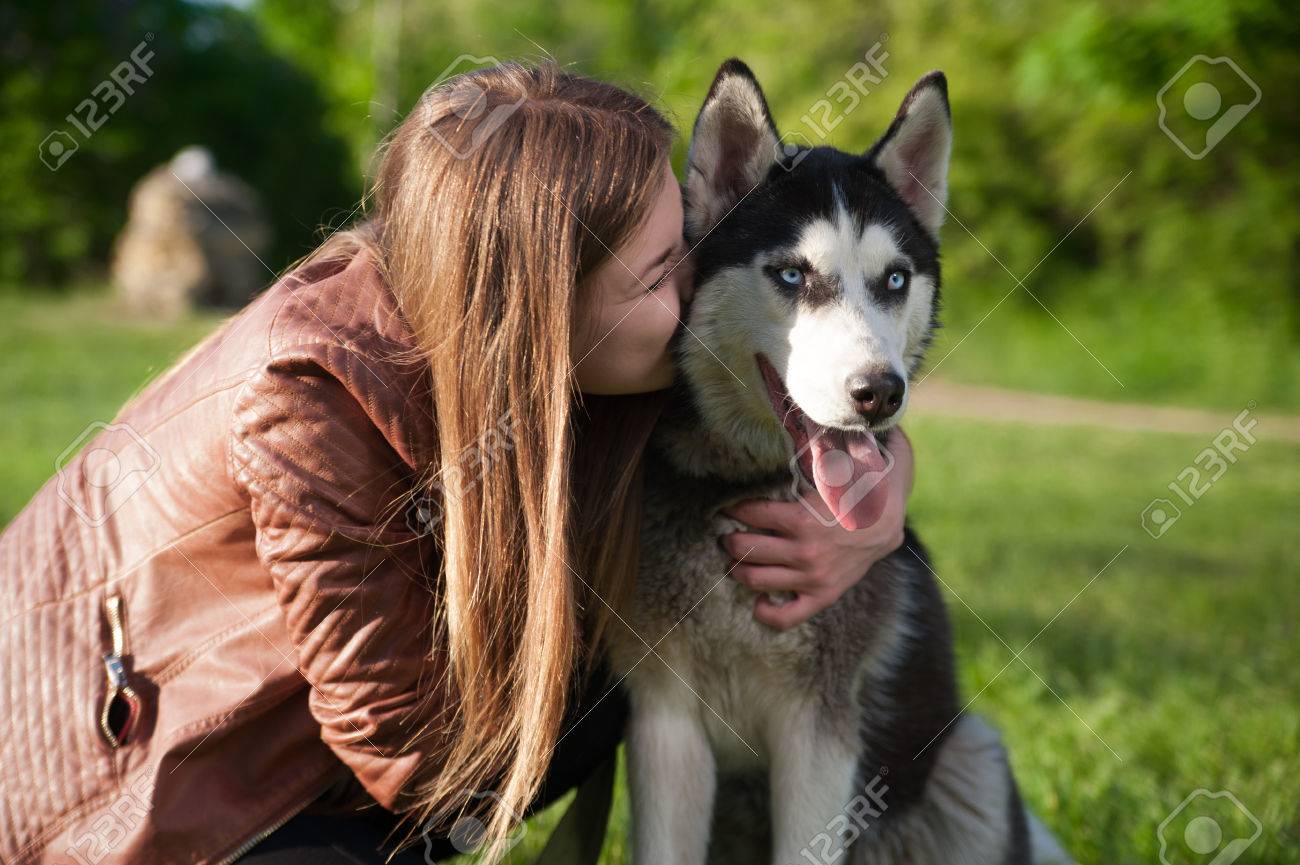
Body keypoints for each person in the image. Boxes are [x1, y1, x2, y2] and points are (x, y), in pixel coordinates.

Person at [0, 60, 913, 864]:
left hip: (322, 761)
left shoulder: (551, 341)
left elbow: (820, 394)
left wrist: (877, 500)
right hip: (150, 796)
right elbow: (402, 746)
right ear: (545, 296)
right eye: (662, 266)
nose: (701, 278)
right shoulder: (313, 397)